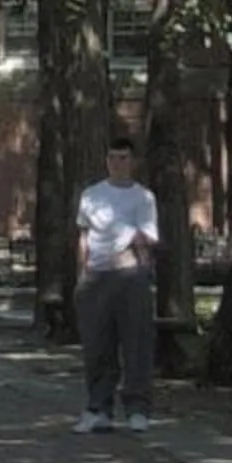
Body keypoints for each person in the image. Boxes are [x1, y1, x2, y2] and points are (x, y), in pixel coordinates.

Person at [73, 130, 160, 434]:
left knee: (136, 343)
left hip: (129, 272)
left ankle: (137, 408)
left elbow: (149, 237)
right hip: (97, 275)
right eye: (112, 157)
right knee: (98, 346)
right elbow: (84, 236)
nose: (117, 163)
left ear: (132, 161)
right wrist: (82, 274)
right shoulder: (91, 195)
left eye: (123, 158)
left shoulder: (143, 197)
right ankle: (98, 408)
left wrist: (138, 257)